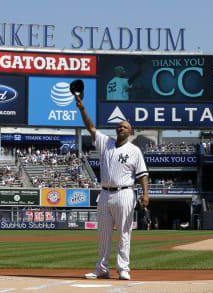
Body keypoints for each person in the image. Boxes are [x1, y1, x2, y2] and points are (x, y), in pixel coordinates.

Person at [75, 89, 149, 280]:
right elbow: (90, 127)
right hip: (105, 194)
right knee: (103, 234)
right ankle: (102, 268)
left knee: (124, 233)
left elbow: (142, 175)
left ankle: (123, 269)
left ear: (130, 131)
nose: (121, 128)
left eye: (124, 126)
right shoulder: (104, 143)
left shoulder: (135, 150)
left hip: (125, 193)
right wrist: (82, 109)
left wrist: (146, 195)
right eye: (119, 126)